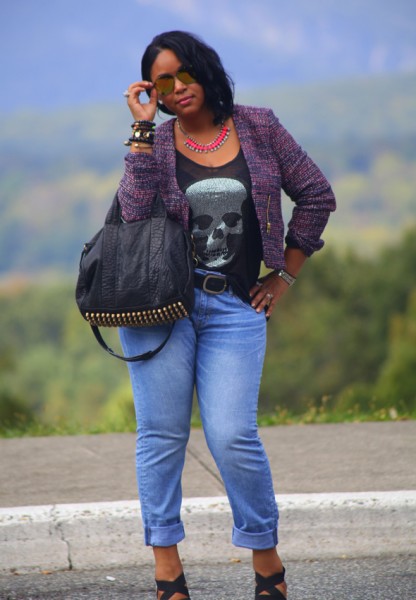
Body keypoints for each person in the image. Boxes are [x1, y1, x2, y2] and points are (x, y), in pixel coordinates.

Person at [118, 30, 336, 599]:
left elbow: (316, 194)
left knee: (234, 434)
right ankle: (167, 568)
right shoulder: (156, 144)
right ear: (152, 91)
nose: (177, 87)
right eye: (162, 80)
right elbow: (135, 214)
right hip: (160, 308)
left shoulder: (259, 126)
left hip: (234, 305)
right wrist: (142, 132)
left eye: (184, 73)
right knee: (161, 436)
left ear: (205, 71)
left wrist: (285, 274)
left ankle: (266, 559)